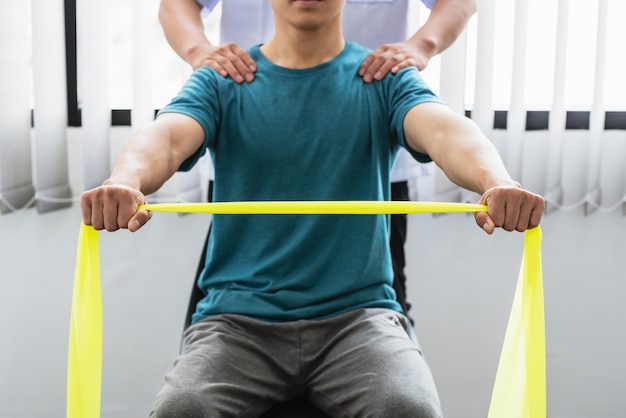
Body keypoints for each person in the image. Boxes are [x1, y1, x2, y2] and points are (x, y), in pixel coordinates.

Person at [82, 0, 544, 416]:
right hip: (237, 323)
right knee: (182, 409)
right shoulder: (223, 80)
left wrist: (495, 181)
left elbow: (447, 132)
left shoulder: (384, 77)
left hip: (357, 321)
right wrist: (124, 180)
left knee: (410, 408)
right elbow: (163, 139)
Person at [158, 0, 478, 319]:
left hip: (367, 170)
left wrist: (420, 46)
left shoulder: (395, 89)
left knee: (380, 318)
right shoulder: (214, 90)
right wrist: (197, 50)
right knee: (220, 315)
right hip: (249, 164)